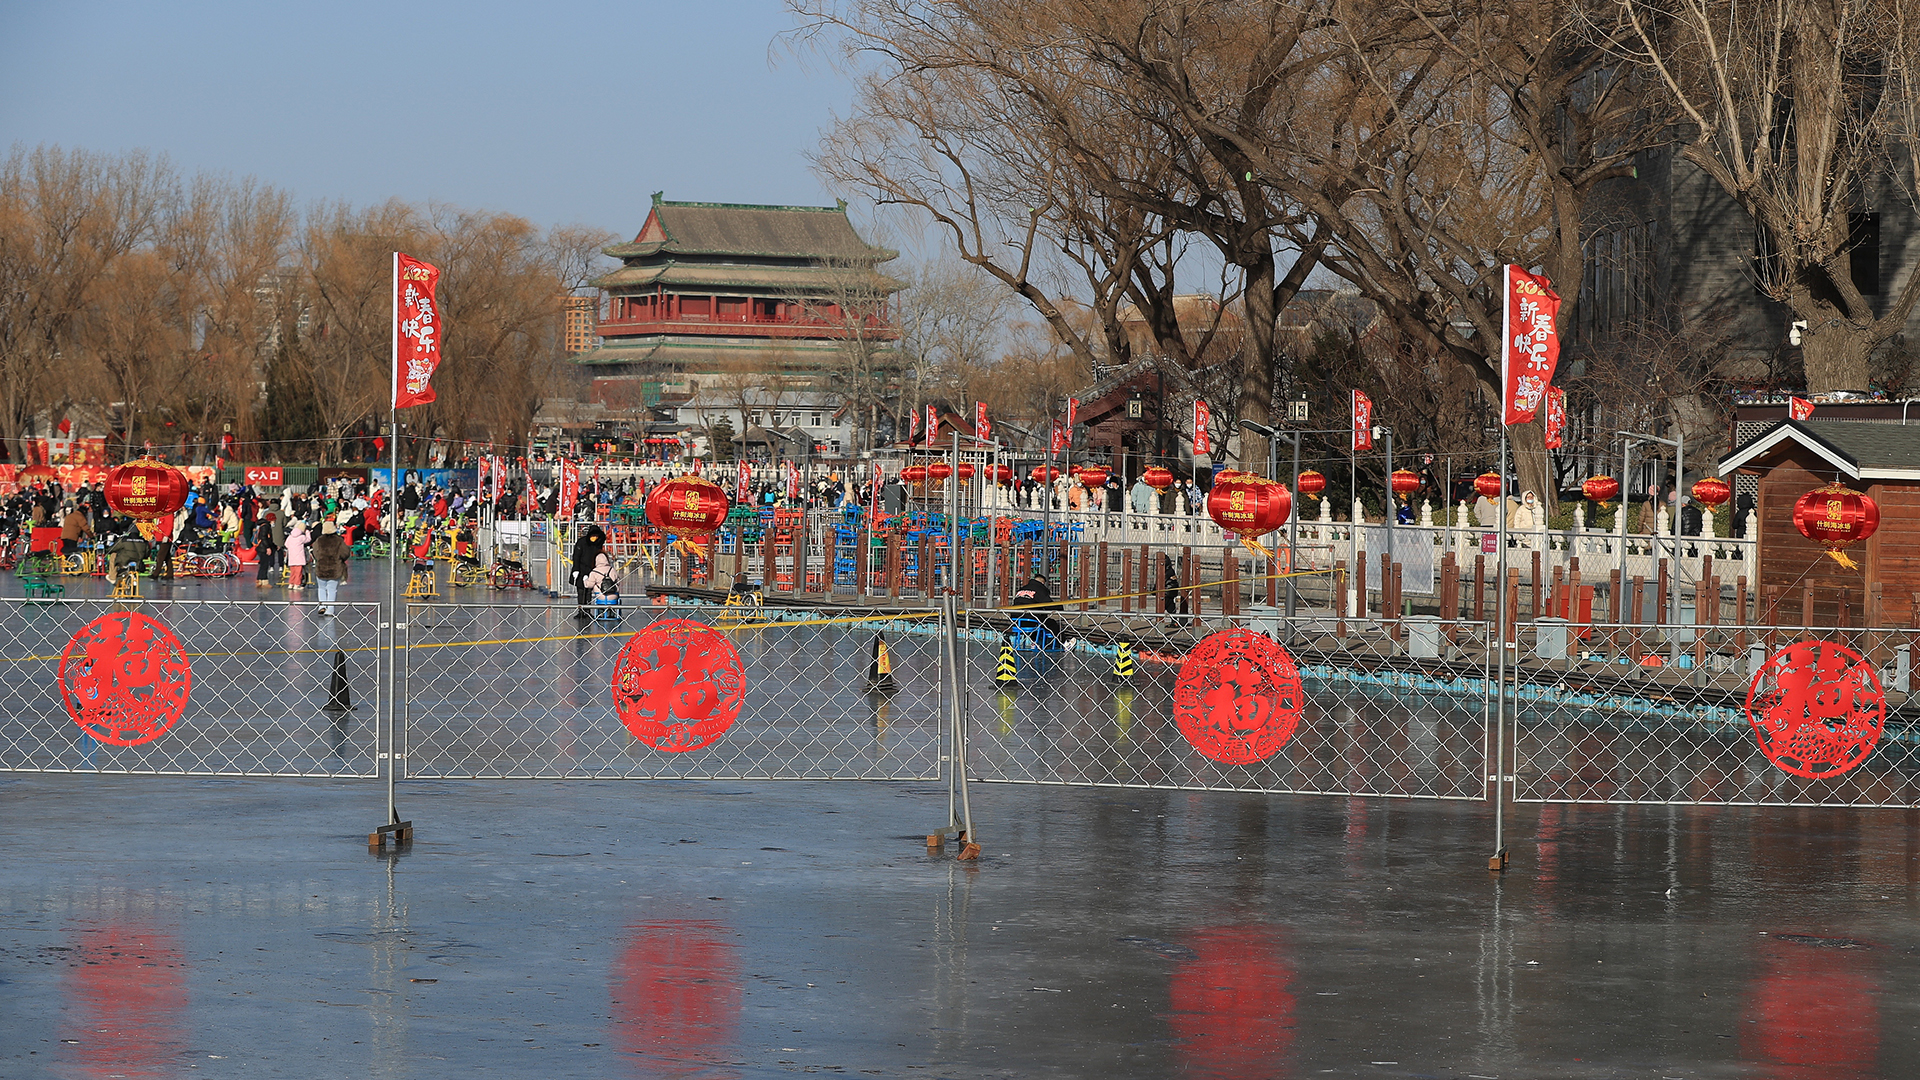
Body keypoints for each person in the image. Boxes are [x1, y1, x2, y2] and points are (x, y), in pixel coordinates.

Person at [311, 519, 349, 615]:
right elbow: (345, 553)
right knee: (332, 590)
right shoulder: (339, 540)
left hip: (321, 567)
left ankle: (322, 606)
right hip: (335, 568)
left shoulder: (319, 540)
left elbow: (315, 552)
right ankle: (330, 610)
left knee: (321, 588)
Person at [570, 524, 607, 619]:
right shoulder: (581, 543)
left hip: (591, 571)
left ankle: (587, 611)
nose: (594, 538)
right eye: (593, 536)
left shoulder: (598, 543)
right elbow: (576, 557)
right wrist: (576, 569)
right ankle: (581, 611)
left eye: (596, 536)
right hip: (581, 570)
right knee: (581, 591)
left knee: (589, 592)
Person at [254, 512, 279, 588]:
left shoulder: (264, 526)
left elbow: (268, 539)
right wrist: (268, 548)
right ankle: (264, 581)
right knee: (264, 565)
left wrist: (274, 546)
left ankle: (259, 580)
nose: (274, 521)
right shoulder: (265, 527)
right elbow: (264, 538)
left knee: (263, 565)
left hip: (261, 548)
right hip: (263, 548)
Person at [284, 519, 310, 590]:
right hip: (299, 558)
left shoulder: (290, 537)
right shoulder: (301, 537)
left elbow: (286, 544)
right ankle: (297, 584)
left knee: (293, 572)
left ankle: (291, 584)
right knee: (298, 572)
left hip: (292, 558)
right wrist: (307, 532)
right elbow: (308, 539)